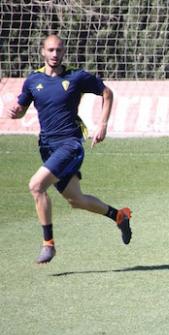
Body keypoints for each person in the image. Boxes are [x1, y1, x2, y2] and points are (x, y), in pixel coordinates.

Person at [4, 34, 131, 264]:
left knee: (36, 185)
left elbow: (107, 93)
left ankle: (48, 245)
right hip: (47, 146)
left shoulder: (76, 77)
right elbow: (22, 108)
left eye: (59, 50)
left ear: (64, 52)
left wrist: (102, 124)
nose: (55, 54)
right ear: (43, 52)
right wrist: (16, 112)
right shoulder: (33, 80)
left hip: (70, 144)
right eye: (51, 50)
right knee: (76, 200)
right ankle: (119, 216)